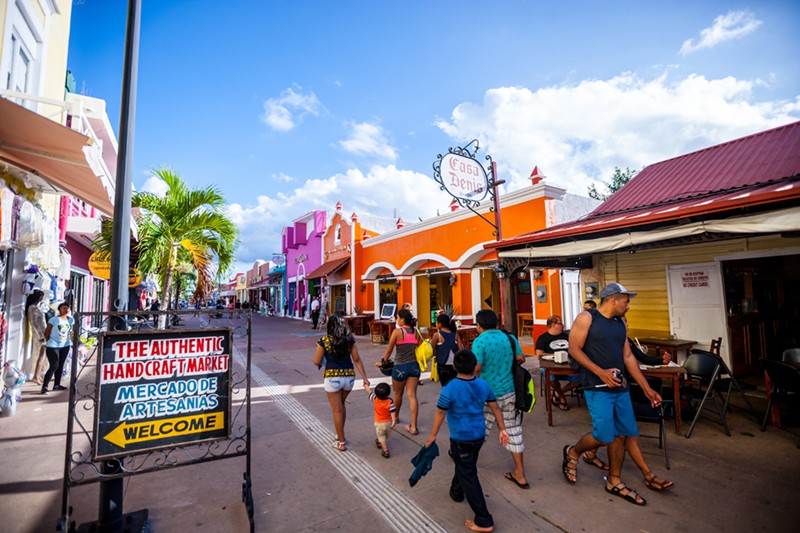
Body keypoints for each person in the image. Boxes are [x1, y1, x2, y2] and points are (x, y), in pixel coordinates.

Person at [562, 283, 661, 506]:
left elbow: (628, 357)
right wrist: (600, 372)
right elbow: (574, 349)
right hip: (597, 387)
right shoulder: (587, 318)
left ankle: (614, 481)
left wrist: (646, 388)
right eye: (626, 301)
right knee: (604, 436)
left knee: (622, 435)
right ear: (613, 299)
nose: (629, 305)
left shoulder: (620, 324)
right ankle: (574, 452)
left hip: (620, 387)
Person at [580, 316, 674, 491]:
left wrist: (661, 361)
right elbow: (577, 353)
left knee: (627, 436)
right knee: (615, 435)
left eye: (625, 322)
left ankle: (645, 475)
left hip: (623, 392)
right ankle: (580, 452)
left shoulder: (625, 340)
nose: (624, 324)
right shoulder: (598, 341)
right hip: (605, 390)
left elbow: (639, 357)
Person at [425, 349, 510, 533]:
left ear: (455, 366)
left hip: (460, 437)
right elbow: (495, 407)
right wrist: (502, 429)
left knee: (469, 474)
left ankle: (484, 519)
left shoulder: (450, 387)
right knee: (466, 465)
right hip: (478, 435)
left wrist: (432, 435)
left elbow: (441, 412)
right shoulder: (483, 384)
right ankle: (456, 492)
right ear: (474, 367)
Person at [471, 309, 529, 490]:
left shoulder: (479, 341)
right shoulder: (510, 338)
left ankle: (467, 465)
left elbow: (477, 368)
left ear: (479, 326)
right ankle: (520, 473)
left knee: (480, 431)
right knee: (513, 431)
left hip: (488, 395)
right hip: (510, 392)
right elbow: (521, 358)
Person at [313, 314, 369, 451]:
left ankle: (341, 442)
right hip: (349, 378)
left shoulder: (324, 341)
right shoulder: (349, 340)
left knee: (337, 410)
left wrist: (322, 362)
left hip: (332, 379)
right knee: (341, 406)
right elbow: (356, 359)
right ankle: (340, 435)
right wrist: (365, 378)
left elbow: (316, 361)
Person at [376, 308, 422, 435]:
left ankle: (395, 417)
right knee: (412, 396)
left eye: (397, 318)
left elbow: (389, 351)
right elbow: (422, 347)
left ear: (402, 319)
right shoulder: (416, 332)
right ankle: (414, 427)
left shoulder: (397, 332)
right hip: (414, 367)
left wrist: (383, 362)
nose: (397, 320)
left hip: (400, 367)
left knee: (398, 395)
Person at [536, 315, 580, 411]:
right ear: (553, 325)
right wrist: (556, 355)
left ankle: (558, 393)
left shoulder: (567, 336)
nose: (563, 325)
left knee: (580, 378)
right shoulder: (542, 338)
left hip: (568, 365)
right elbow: (539, 354)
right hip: (551, 366)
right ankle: (562, 397)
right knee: (550, 377)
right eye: (560, 323)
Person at [41, 302, 74, 394]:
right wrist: (48, 341)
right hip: (53, 346)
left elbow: (70, 332)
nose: (66, 310)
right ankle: (45, 386)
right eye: (64, 308)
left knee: (60, 365)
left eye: (68, 308)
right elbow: (47, 331)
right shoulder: (54, 319)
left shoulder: (71, 320)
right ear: (59, 309)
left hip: (65, 345)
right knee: (54, 365)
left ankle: (57, 385)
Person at [365, 382, 397, 458]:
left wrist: (366, 385)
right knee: (386, 435)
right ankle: (380, 442)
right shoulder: (390, 401)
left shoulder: (375, 399)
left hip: (379, 423)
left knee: (381, 436)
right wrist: (394, 420)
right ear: (388, 394)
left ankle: (385, 450)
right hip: (388, 422)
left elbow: (369, 392)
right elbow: (392, 411)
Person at [430, 313, 461, 387]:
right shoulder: (455, 335)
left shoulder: (437, 335)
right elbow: (461, 349)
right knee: (454, 386)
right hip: (454, 365)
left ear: (439, 324)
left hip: (442, 365)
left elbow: (431, 348)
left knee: (445, 387)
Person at [24, 289, 48, 384]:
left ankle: (38, 375)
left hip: (43, 334)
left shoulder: (34, 307)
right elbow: (34, 323)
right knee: (41, 355)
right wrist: (41, 335)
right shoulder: (33, 308)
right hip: (40, 335)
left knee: (42, 355)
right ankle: (36, 376)